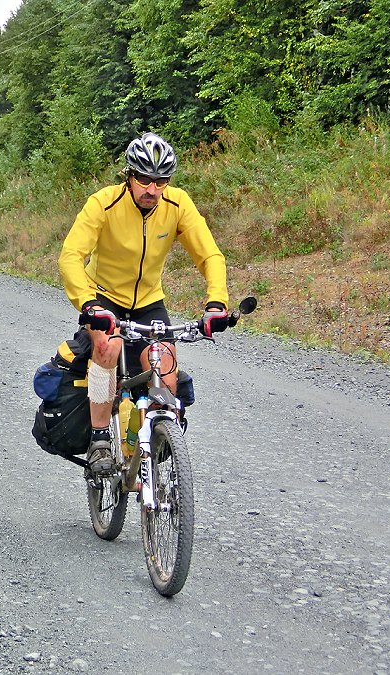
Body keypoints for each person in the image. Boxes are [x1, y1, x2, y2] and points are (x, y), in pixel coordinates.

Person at [58, 132, 230, 473]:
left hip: (149, 300)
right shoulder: (104, 204)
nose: (152, 189)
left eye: (161, 181)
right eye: (144, 179)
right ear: (129, 175)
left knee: (166, 373)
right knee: (106, 349)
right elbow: (71, 256)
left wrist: (216, 303)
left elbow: (209, 254)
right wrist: (88, 303)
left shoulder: (177, 205)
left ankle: (141, 446)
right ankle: (99, 441)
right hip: (104, 295)